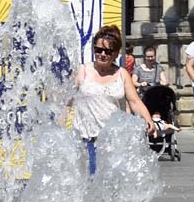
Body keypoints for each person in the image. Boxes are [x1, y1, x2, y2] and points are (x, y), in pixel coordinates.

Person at [65, 25, 156, 175]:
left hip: (113, 140)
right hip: (87, 139)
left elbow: (134, 101)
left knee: (112, 186)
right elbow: (69, 102)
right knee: (93, 182)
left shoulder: (122, 74)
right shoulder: (83, 71)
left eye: (107, 51)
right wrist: (61, 127)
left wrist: (148, 120)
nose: (102, 54)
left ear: (115, 54)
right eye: (98, 49)